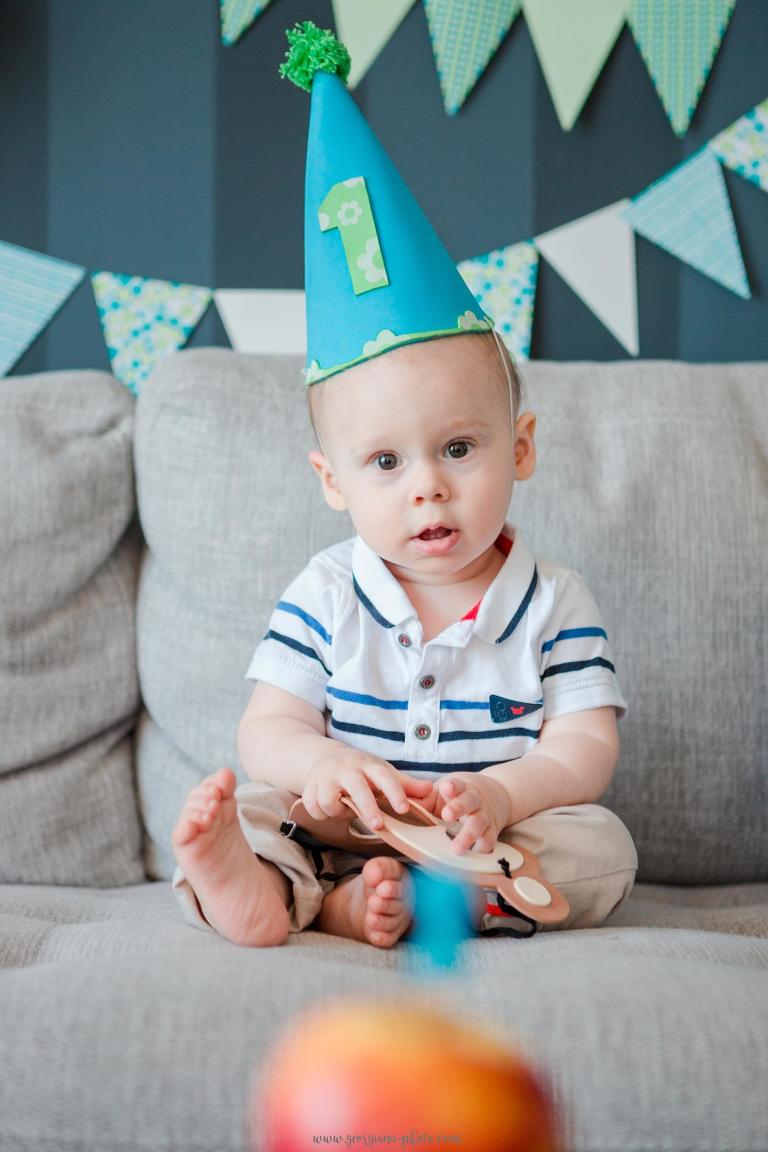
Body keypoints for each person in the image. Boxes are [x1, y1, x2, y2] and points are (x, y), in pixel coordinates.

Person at [171, 22, 637, 949]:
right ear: (332, 482)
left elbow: (587, 747)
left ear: (523, 446)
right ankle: (265, 886)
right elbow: (268, 725)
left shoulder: (552, 603)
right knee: (267, 809)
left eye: (459, 449)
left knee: (600, 845)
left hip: (484, 836)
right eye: (386, 463)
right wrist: (324, 760)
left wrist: (503, 794)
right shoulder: (326, 595)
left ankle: (437, 901)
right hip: (344, 824)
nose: (427, 489)